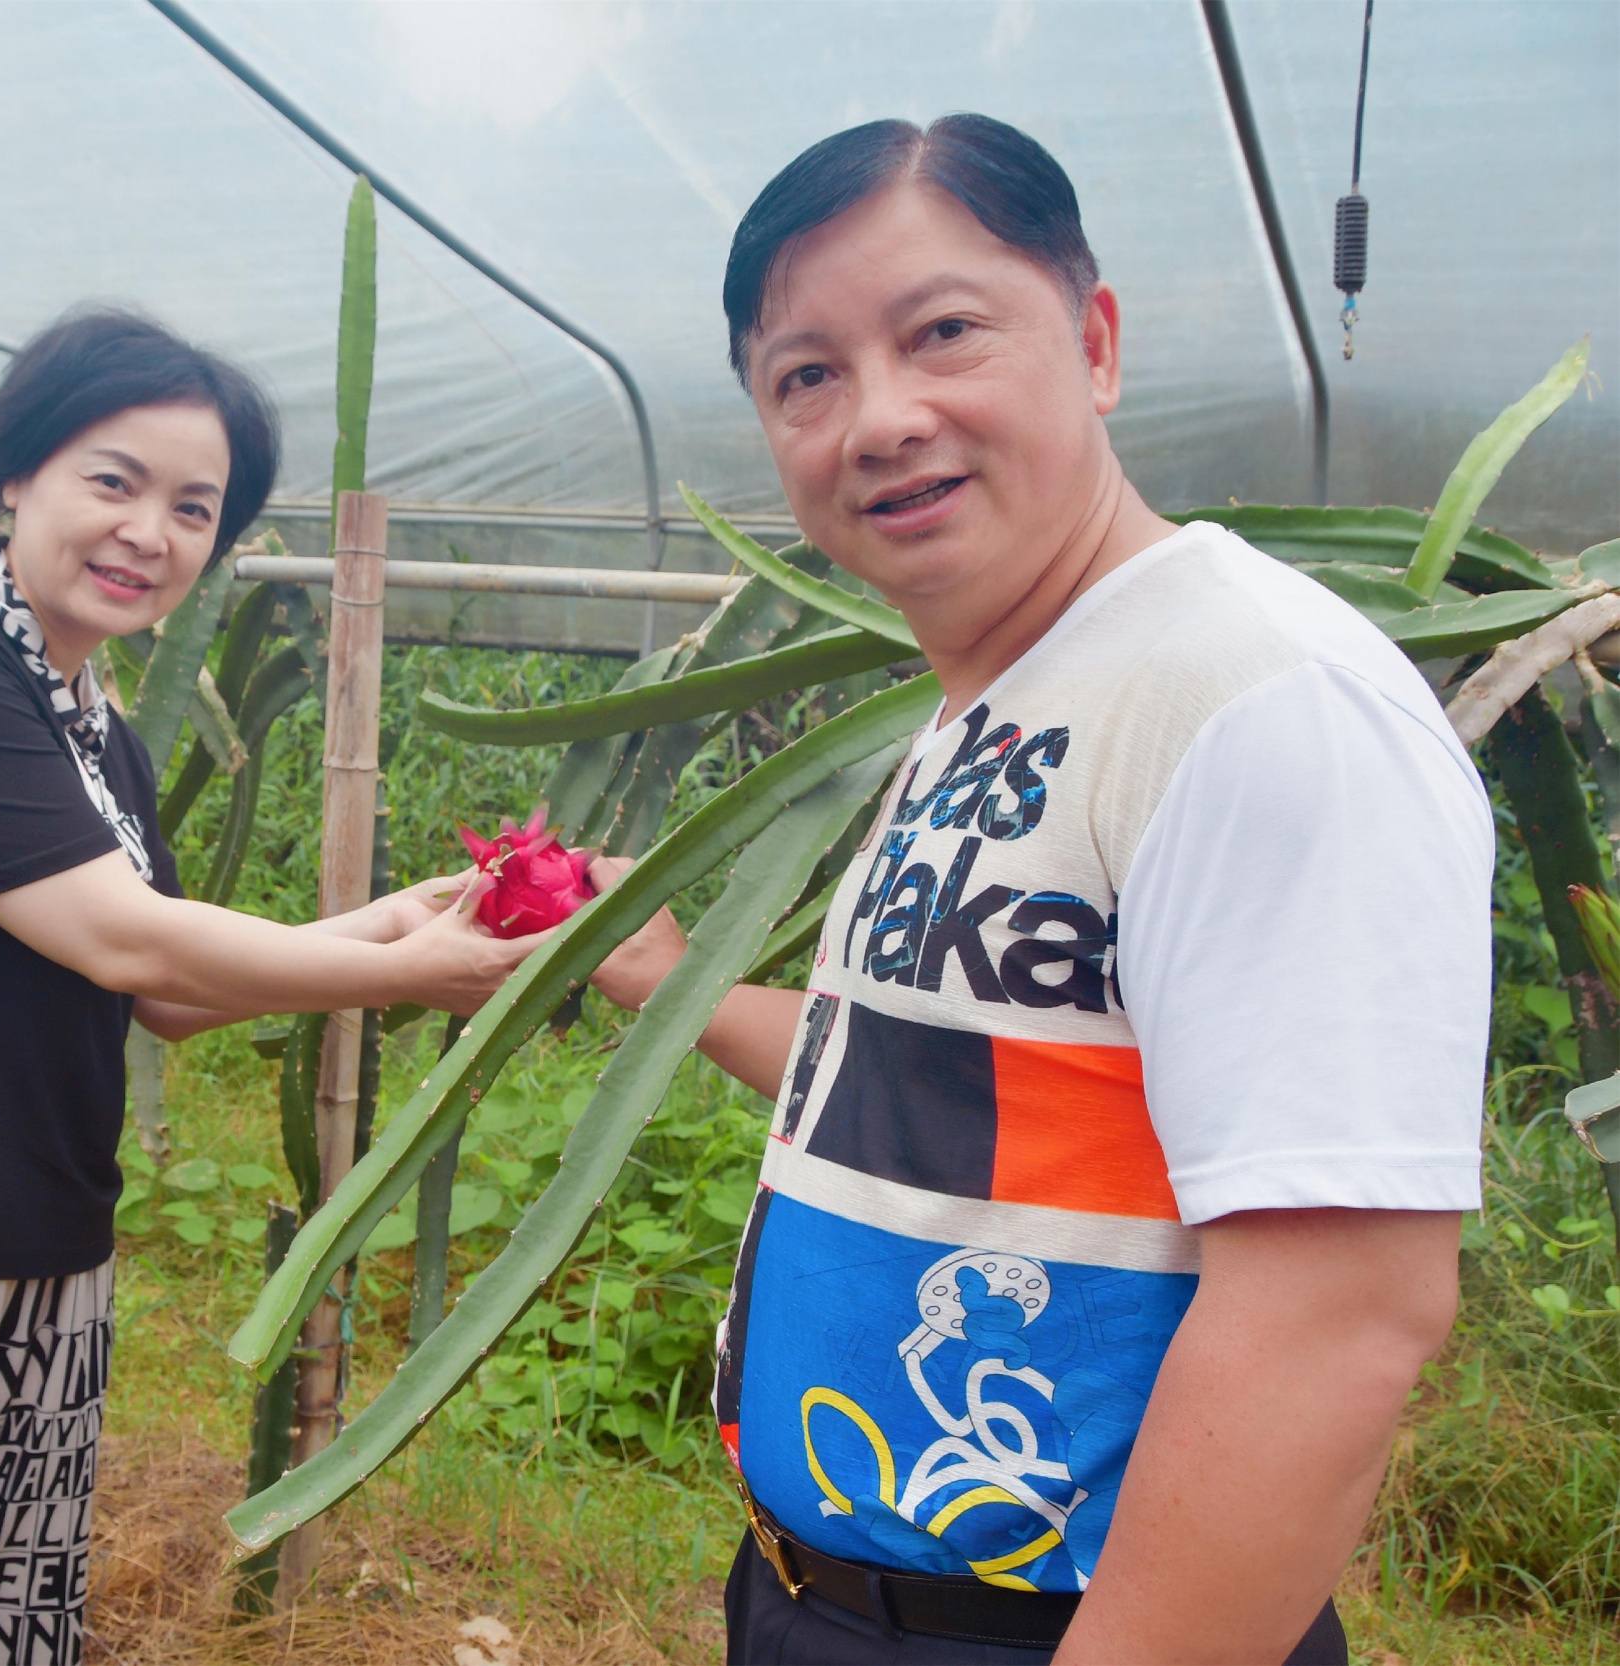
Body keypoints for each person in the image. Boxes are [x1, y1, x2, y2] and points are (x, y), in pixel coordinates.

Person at [587, 116, 1488, 1664]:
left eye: (943, 331)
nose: (881, 418)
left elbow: (1337, 1320)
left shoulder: (1254, 699)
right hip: (830, 1602)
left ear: (1097, 344)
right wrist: (664, 978)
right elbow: (939, 1087)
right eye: (806, 376)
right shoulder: (1006, 699)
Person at [0, 308, 533, 1666]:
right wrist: (399, 972)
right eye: (114, 480)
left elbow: (164, 997)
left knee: (11, 1631)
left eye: (194, 507)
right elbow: (124, 941)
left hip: (38, 1245)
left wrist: (384, 926)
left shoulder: (95, 731)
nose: (151, 531)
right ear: (15, 475)